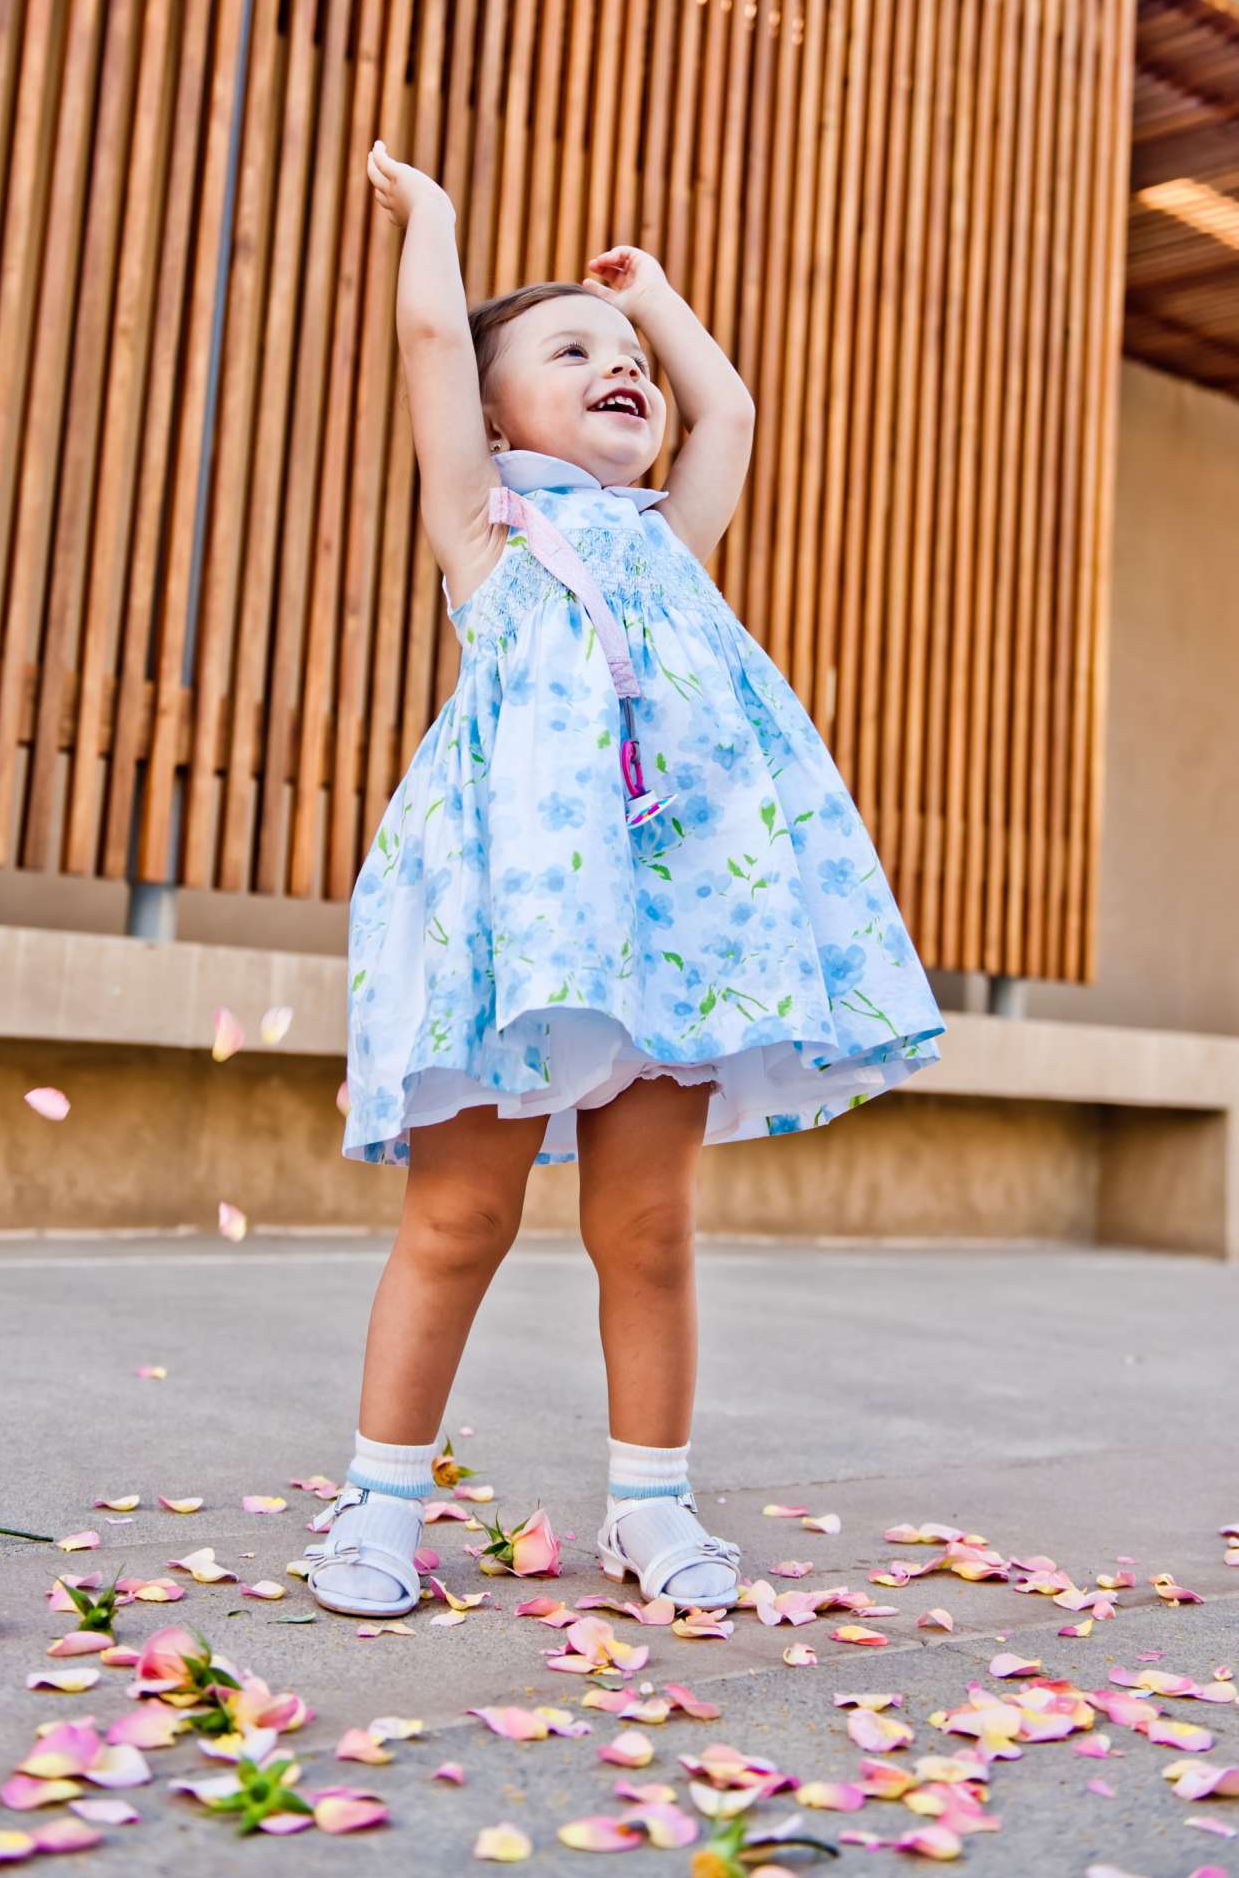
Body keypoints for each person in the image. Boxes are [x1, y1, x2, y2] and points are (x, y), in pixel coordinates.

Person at [304, 140, 945, 1618]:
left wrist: (659, 301)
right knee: (458, 1220)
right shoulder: (490, 530)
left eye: (627, 360)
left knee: (647, 1228)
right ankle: (380, 1503)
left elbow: (732, 407)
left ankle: (649, 1507)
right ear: (490, 411)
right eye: (573, 351)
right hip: (521, 934)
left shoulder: (673, 543)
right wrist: (441, 223)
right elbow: (422, 335)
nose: (622, 368)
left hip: (676, 939)